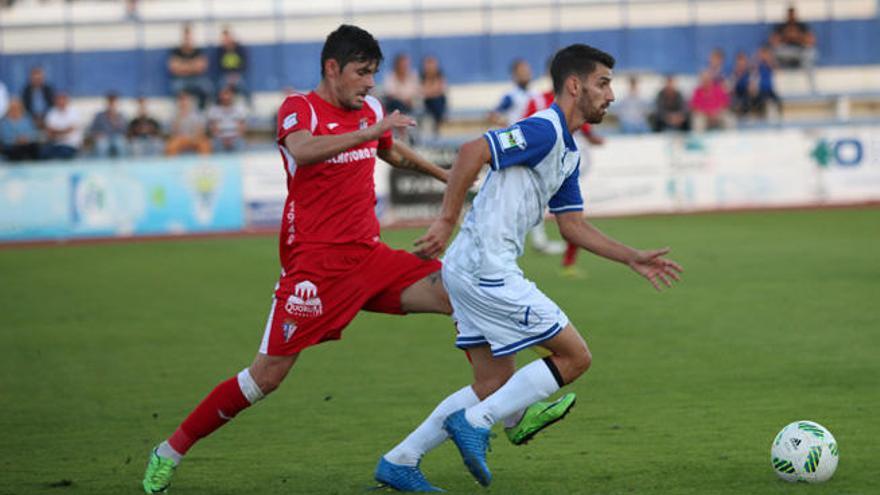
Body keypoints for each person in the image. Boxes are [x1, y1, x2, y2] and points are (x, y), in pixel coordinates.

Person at [142, 25, 573, 495]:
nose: (370, 84)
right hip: (315, 271)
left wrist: (442, 174)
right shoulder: (299, 108)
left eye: (373, 74)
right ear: (333, 68)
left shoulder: (367, 109)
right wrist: (372, 129)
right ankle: (169, 452)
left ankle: (499, 419)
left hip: (371, 258)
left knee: (464, 294)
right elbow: (303, 151)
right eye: (362, 73)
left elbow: (390, 151)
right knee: (264, 378)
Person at [384, 43, 683, 489]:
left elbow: (573, 228)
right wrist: (447, 218)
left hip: (467, 268)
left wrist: (631, 257)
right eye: (603, 83)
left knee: (493, 381)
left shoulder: (567, 151)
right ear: (575, 85)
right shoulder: (544, 129)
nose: (611, 95)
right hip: (486, 267)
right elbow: (471, 151)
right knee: (575, 356)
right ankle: (481, 421)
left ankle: (400, 460)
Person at [769, 6, 817, 90]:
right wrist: (786, 37)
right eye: (789, 15)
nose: (791, 16)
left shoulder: (802, 26)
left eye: (793, 14)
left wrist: (797, 37)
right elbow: (773, 42)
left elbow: (811, 41)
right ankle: (774, 86)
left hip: (800, 53)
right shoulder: (781, 26)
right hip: (786, 54)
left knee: (810, 53)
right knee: (775, 52)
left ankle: (811, 87)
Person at [167, 23, 212, 110]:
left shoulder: (198, 51)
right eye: (186, 37)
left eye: (189, 36)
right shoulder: (176, 51)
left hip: (196, 79)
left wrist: (183, 65)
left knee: (207, 87)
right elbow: (173, 68)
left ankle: (201, 112)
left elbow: (202, 67)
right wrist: (193, 65)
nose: (187, 39)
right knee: (176, 87)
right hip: (181, 79)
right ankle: (180, 114)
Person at [216, 26, 250, 105]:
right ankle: (219, 107)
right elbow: (219, 67)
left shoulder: (240, 49)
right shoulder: (220, 51)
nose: (226, 40)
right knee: (220, 86)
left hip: (238, 75)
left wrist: (235, 75)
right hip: (225, 76)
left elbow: (244, 64)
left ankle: (249, 108)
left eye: (227, 38)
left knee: (245, 88)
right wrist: (229, 76)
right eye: (224, 38)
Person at [43, 92, 83, 160]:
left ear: (66, 101)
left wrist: (56, 132)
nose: (60, 102)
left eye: (62, 100)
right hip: (55, 144)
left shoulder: (74, 112)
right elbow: (49, 131)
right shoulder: (51, 113)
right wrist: (63, 131)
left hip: (71, 144)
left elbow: (70, 129)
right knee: (44, 153)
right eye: (58, 100)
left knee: (64, 153)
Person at [207, 86, 247, 152]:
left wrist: (232, 139)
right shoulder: (214, 110)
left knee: (240, 143)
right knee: (214, 143)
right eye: (224, 94)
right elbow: (214, 130)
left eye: (228, 94)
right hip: (219, 138)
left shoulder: (239, 109)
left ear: (232, 95)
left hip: (235, 138)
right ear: (220, 96)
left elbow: (242, 129)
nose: (226, 97)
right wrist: (224, 139)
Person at [0, 97, 41, 161]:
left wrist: (26, 138)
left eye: (17, 108)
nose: (15, 110)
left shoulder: (27, 119)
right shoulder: (4, 122)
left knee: (35, 147)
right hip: (11, 147)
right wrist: (16, 140)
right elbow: (4, 137)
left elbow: (34, 133)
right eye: (13, 108)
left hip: (26, 145)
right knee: (14, 149)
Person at [89, 91, 128, 157]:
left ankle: (121, 165)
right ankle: (102, 165)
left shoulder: (121, 116)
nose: (111, 105)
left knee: (120, 143)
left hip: (117, 137)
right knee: (102, 145)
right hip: (103, 137)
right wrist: (97, 134)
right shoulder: (99, 115)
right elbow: (92, 129)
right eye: (110, 102)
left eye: (113, 103)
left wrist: (114, 119)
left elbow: (124, 130)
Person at [420, 55, 447, 137]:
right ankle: (438, 124)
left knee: (439, 100)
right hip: (427, 102)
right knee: (435, 101)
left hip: (438, 101)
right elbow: (424, 92)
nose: (431, 68)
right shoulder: (422, 77)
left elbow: (442, 90)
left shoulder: (440, 76)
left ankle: (437, 124)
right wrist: (434, 92)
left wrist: (431, 92)